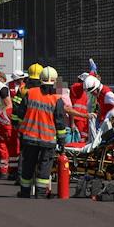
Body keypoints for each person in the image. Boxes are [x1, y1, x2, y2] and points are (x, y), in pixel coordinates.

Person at [13, 65, 69, 198]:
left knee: (28, 166)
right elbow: (60, 123)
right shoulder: (57, 99)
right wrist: (62, 142)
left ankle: (25, 192)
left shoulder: (30, 93)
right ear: (55, 81)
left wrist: (19, 128)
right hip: (48, 140)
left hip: (29, 138)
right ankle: (41, 193)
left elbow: (19, 114)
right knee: (44, 167)